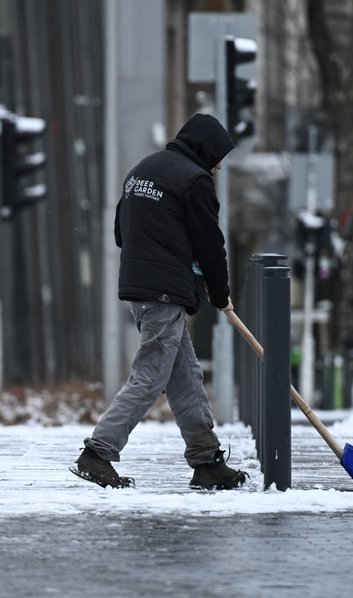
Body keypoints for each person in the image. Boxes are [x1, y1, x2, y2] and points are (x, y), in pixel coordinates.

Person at [71, 113, 249, 491]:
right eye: (218, 156)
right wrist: (220, 293)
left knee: (184, 377)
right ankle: (97, 453)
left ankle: (206, 461)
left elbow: (122, 233)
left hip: (139, 287)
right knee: (151, 374)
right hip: (164, 291)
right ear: (204, 149)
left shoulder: (143, 169)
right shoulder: (195, 180)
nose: (218, 165)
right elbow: (210, 245)